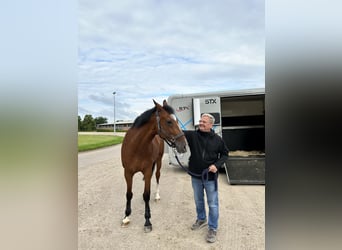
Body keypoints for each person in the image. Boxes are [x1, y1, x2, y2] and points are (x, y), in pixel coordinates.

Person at [183, 113, 229, 243]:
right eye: (200, 121)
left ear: (211, 124)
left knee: (213, 204)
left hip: (210, 177)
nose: (201, 123)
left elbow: (225, 154)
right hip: (196, 175)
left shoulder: (218, 140)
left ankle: (213, 228)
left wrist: (217, 165)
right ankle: (201, 218)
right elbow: (175, 131)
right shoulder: (192, 135)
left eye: (204, 122)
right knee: (198, 200)